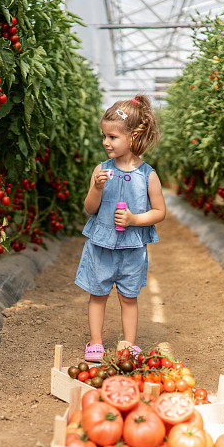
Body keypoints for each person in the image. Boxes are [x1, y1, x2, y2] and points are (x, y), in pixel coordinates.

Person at [75, 95, 166, 362]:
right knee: (98, 294)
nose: (106, 142)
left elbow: (160, 212)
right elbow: (89, 209)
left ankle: (128, 345)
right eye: (104, 135)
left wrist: (135, 220)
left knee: (128, 297)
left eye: (113, 137)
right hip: (101, 244)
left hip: (132, 247)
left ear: (133, 137)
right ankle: (96, 343)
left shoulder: (148, 175)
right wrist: (97, 187)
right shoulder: (101, 171)